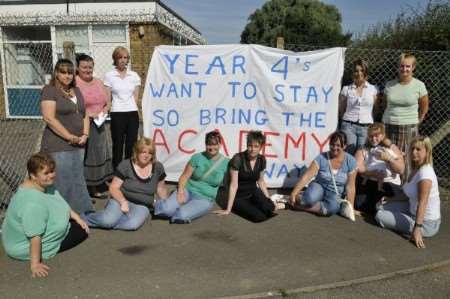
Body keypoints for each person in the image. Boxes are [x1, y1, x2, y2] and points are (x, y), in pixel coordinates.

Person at [1, 153, 89, 278]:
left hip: (25, 234)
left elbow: (60, 203)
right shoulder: (32, 203)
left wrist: (78, 218)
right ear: (33, 175)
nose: (51, 176)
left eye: (52, 171)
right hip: (22, 246)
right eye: (46, 173)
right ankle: (50, 245)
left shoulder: (39, 185)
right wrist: (35, 264)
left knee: (80, 223)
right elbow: (35, 236)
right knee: (81, 232)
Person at [40, 58, 94, 214]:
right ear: (56, 73)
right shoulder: (50, 90)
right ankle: (61, 214)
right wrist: (69, 136)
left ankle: (79, 213)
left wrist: (85, 134)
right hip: (58, 144)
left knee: (77, 179)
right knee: (62, 182)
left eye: (70, 72)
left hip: (79, 143)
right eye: (63, 72)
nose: (67, 76)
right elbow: (49, 118)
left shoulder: (76, 91)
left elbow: (85, 114)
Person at [82, 138, 168, 230]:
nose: (146, 155)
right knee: (107, 221)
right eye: (143, 152)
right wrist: (123, 201)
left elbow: (161, 189)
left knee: (131, 225)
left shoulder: (158, 167)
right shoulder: (126, 165)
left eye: (150, 153)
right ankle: (84, 218)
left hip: (142, 205)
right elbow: (114, 188)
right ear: (137, 152)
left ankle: (112, 222)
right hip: (120, 200)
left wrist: (167, 206)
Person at [375, 136, 440, 248]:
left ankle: (412, 228)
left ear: (427, 151)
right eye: (413, 149)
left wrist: (417, 229)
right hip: (411, 208)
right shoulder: (416, 168)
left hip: (426, 223)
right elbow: (408, 194)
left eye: (418, 149)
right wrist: (391, 199)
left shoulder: (425, 175)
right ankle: (404, 220)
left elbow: (422, 203)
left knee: (379, 216)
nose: (414, 152)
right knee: (379, 205)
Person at [155, 131, 229, 224]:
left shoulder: (226, 163)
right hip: (188, 190)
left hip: (205, 198)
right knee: (166, 210)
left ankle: (179, 208)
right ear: (205, 144)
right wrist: (180, 192)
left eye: (215, 144)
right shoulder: (197, 157)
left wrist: (228, 208)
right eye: (209, 144)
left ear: (220, 145)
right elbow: (184, 177)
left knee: (181, 215)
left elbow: (232, 185)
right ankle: (157, 204)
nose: (212, 147)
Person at [214, 131, 282, 223]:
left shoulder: (262, 159)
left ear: (261, 147)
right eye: (250, 145)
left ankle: (283, 204)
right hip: (239, 197)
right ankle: (239, 206)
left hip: (253, 192)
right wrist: (228, 209)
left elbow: (261, 181)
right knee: (259, 217)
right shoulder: (238, 159)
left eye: (256, 146)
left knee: (270, 208)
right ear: (247, 145)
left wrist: (268, 199)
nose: (252, 149)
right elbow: (233, 185)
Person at [289, 131, 357, 217]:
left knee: (333, 208)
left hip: (335, 193)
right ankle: (299, 198)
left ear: (345, 146)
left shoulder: (351, 161)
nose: (334, 148)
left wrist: (351, 208)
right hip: (319, 186)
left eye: (338, 145)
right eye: (332, 144)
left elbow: (350, 186)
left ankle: (300, 207)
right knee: (309, 199)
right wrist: (294, 193)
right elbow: (307, 176)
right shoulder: (321, 157)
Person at [76, 54, 113, 198]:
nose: (87, 70)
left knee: (101, 153)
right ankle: (91, 187)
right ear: (77, 68)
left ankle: (99, 181)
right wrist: (90, 115)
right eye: (84, 67)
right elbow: (74, 105)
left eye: (90, 67)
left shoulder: (98, 82)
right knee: (89, 156)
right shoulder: (75, 83)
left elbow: (107, 101)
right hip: (84, 124)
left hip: (100, 122)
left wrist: (104, 110)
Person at [382, 53, 429, 156]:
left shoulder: (419, 85)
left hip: (408, 127)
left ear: (413, 67)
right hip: (388, 125)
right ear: (398, 67)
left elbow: (424, 108)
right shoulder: (389, 85)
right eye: (402, 66)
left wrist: (416, 122)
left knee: (407, 158)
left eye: (408, 66)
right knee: (388, 157)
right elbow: (384, 105)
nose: (404, 69)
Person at [354, 123, 405, 214]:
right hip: (370, 179)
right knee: (359, 204)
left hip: (387, 182)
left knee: (376, 206)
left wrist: (388, 159)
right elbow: (358, 166)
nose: (373, 139)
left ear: (383, 135)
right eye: (371, 136)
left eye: (376, 136)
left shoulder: (391, 148)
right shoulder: (364, 148)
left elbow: (400, 169)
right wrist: (372, 173)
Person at [104, 46, 141, 169]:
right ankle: (117, 171)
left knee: (131, 144)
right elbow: (108, 98)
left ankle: (129, 170)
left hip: (132, 113)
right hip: (117, 113)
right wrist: (105, 111)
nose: (123, 60)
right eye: (120, 57)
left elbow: (136, 98)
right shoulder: (109, 75)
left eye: (125, 57)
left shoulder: (134, 75)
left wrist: (133, 110)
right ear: (115, 59)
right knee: (118, 144)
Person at [339, 59, 379, 154]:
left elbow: (376, 109)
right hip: (349, 126)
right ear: (353, 73)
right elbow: (342, 109)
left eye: (362, 70)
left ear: (366, 72)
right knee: (348, 153)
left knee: (362, 154)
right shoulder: (346, 89)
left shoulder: (373, 89)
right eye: (356, 71)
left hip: (366, 127)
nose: (359, 73)